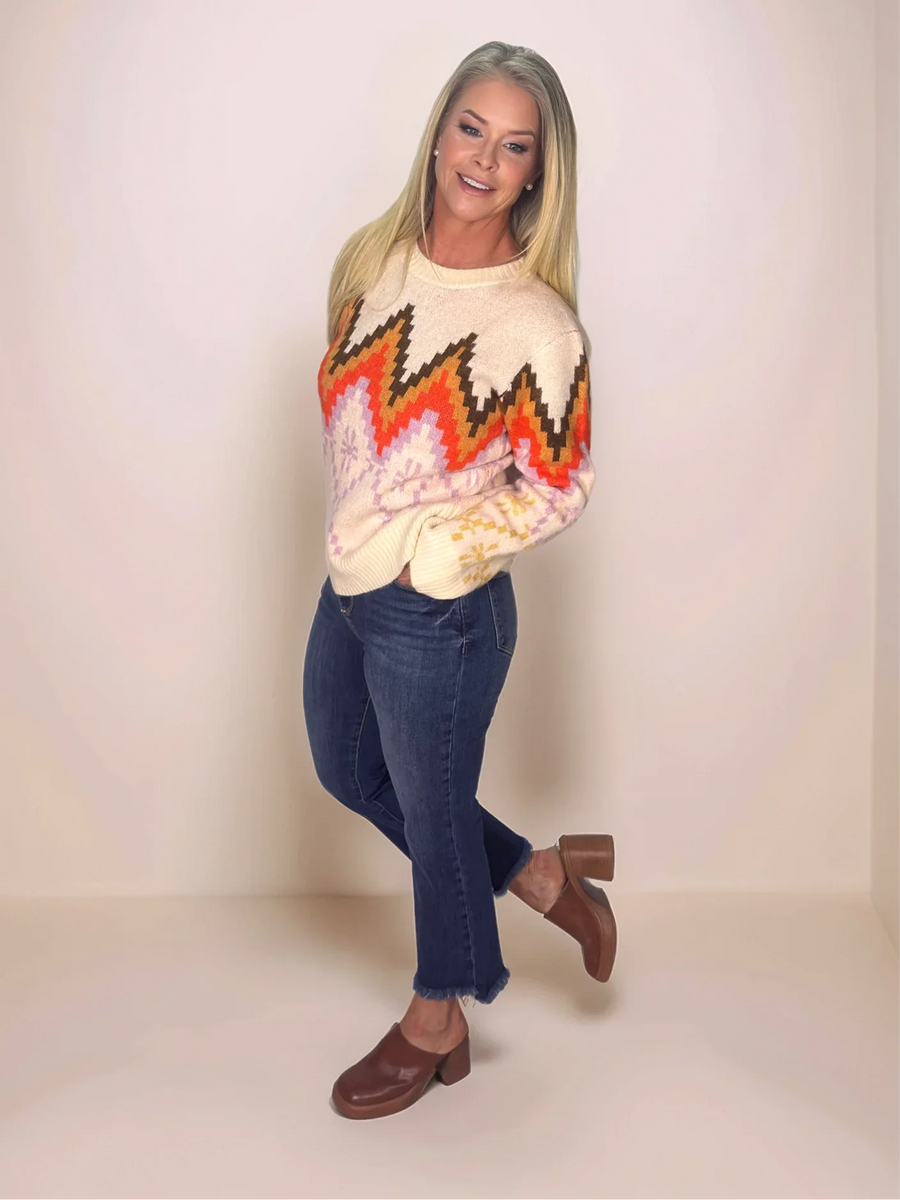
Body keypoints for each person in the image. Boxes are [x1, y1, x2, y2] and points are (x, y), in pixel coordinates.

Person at [302, 40, 616, 1121]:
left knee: (432, 818)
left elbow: (558, 487)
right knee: (350, 769)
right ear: (440, 131)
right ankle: (538, 876)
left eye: (515, 146)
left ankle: (438, 1021)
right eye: (472, 128)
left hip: (445, 611)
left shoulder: (539, 325)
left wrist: (437, 553)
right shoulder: (370, 259)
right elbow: (344, 405)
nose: (485, 158)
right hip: (352, 578)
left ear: (539, 173)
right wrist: (368, 527)